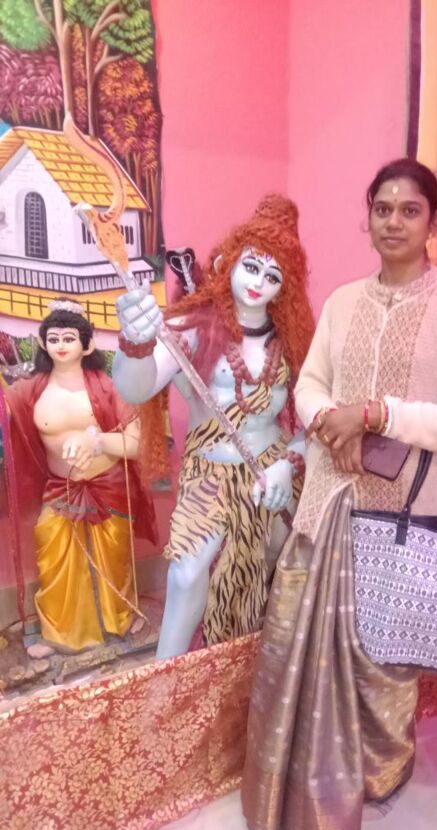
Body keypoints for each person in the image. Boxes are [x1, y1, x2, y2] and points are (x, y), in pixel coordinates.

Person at [241, 159, 437, 830]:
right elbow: (309, 385)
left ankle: (377, 775)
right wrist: (335, 420)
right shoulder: (343, 302)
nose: (393, 221)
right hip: (327, 500)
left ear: (433, 221)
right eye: (382, 208)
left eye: (409, 210)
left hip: (404, 513)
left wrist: (377, 414)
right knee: (295, 641)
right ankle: (289, 782)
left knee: (383, 659)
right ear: (369, 216)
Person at [112, 195, 315, 659]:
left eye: (273, 276)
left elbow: (317, 420)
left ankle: (254, 668)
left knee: (277, 567)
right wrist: (134, 344)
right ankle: (166, 677)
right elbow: (136, 387)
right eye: (252, 267)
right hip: (210, 472)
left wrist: (290, 464)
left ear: (285, 287)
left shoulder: (294, 339)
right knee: (186, 574)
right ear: (227, 261)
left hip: (275, 475)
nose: (259, 283)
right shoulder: (193, 325)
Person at [5, 300, 156, 655]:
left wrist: (96, 440)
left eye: (69, 338)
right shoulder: (29, 391)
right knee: (52, 551)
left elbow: (137, 444)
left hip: (108, 485)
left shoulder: (109, 388)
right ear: (43, 343)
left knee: (113, 558)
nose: (61, 345)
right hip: (60, 489)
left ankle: (119, 618)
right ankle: (60, 633)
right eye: (54, 338)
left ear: (87, 345)